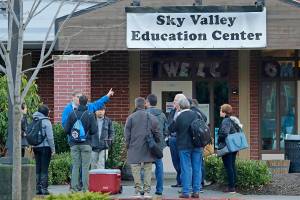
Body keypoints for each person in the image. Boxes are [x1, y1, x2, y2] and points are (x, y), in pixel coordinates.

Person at [124, 97, 160, 198]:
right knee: (148, 168)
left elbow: (127, 134)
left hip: (134, 146)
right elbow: (157, 133)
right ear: (144, 104)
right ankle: (147, 192)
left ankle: (138, 191)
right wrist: (156, 142)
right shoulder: (151, 117)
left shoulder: (131, 117)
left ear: (136, 105)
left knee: (136, 168)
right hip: (148, 146)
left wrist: (127, 145)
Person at [168, 96, 203, 199]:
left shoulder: (179, 116)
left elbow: (171, 129)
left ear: (180, 106)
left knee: (186, 168)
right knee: (197, 168)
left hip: (184, 146)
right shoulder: (196, 114)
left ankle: (186, 192)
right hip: (197, 145)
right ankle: (196, 191)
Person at [64, 95, 98, 192]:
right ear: (87, 103)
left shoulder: (72, 114)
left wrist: (73, 134)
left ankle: (74, 188)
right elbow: (94, 130)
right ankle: (85, 189)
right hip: (86, 143)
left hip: (74, 144)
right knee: (85, 166)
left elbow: (66, 130)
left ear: (79, 102)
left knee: (75, 165)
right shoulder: (90, 114)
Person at [145, 94, 168, 196]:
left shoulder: (144, 114)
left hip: (147, 144)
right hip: (159, 145)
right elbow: (166, 130)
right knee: (159, 165)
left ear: (148, 102)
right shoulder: (162, 115)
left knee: (145, 166)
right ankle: (159, 189)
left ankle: (145, 189)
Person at [218, 104, 242, 194]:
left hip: (227, 147)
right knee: (232, 165)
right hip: (234, 146)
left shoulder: (226, 121)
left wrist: (219, 140)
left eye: (220, 110)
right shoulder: (232, 120)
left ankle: (231, 187)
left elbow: (224, 133)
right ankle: (234, 185)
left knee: (229, 167)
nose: (219, 112)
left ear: (224, 112)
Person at [32, 105, 55, 195]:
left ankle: (37, 188)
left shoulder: (34, 120)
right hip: (45, 147)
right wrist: (53, 149)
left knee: (38, 167)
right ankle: (44, 189)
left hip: (35, 147)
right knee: (44, 168)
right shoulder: (46, 121)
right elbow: (50, 137)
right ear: (45, 112)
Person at [166, 94, 184, 188]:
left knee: (182, 160)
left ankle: (182, 181)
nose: (173, 102)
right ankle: (179, 180)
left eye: (175, 100)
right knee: (175, 160)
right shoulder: (172, 111)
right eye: (174, 100)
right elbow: (169, 123)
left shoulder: (184, 112)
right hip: (172, 139)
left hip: (181, 139)